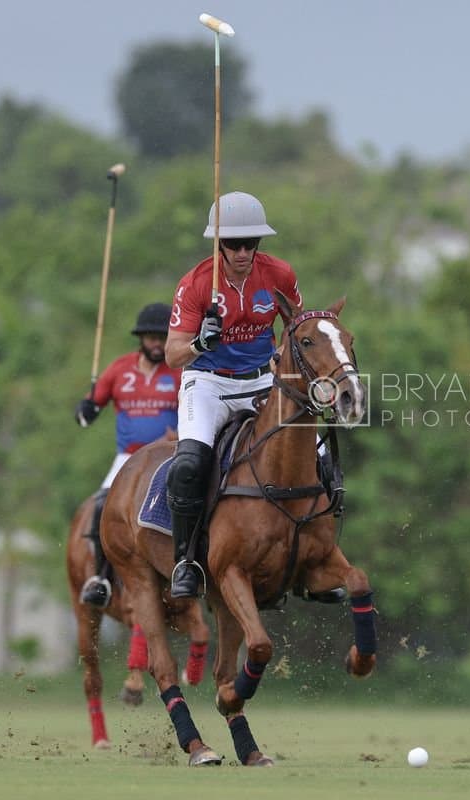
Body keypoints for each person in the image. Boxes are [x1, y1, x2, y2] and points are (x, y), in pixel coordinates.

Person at [163, 190, 303, 598]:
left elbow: (297, 330)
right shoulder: (195, 284)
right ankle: (186, 562)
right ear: (218, 244)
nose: (243, 252)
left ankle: (316, 546)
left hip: (262, 379)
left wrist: (281, 358)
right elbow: (173, 354)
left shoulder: (280, 275)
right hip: (208, 383)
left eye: (251, 243)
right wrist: (199, 345)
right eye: (233, 244)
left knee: (316, 449)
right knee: (189, 463)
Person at [75, 302, 182, 607]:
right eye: (151, 338)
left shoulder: (178, 371)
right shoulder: (120, 370)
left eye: (163, 338)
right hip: (129, 459)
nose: (158, 344)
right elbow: (90, 408)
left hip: (168, 455)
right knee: (100, 504)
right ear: (141, 338)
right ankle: (101, 578)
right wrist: (86, 408)